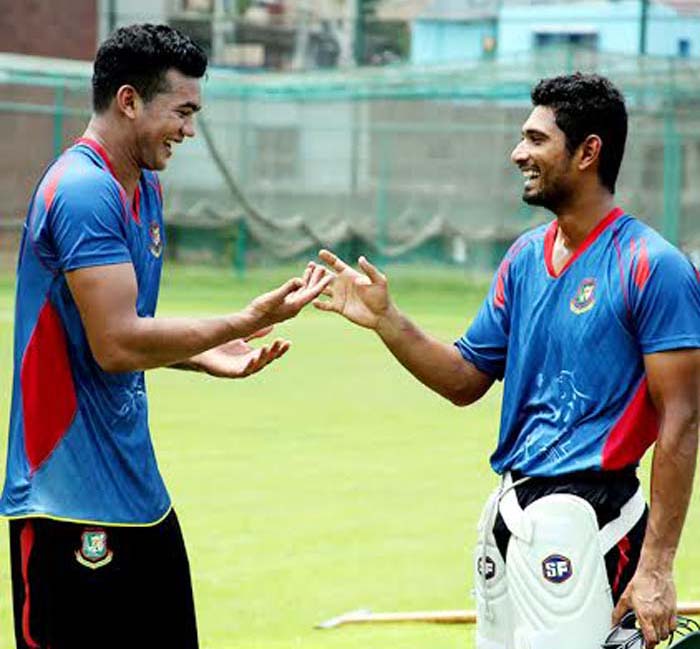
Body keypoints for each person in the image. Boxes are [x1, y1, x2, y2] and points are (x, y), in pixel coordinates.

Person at [314, 73, 700, 649]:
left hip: (589, 516)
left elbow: (683, 419)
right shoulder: (523, 257)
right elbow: (465, 379)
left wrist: (657, 567)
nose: (518, 152)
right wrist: (387, 321)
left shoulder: (653, 265)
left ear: (588, 151)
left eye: (536, 139)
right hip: (509, 510)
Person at [0, 24, 330, 649]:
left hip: (139, 496)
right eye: (182, 112)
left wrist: (206, 352)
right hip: (65, 500)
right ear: (129, 101)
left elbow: (123, 333)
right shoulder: (81, 190)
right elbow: (117, 344)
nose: (189, 130)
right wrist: (242, 320)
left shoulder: (144, 187)